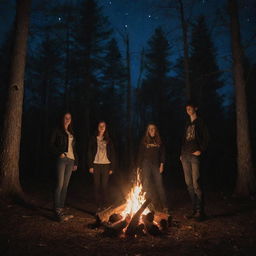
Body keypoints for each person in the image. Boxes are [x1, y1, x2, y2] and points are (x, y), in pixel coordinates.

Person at [180, 102, 209, 221]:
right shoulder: (187, 123)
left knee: (196, 183)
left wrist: (201, 150)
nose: (188, 109)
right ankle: (194, 209)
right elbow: (184, 139)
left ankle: (200, 211)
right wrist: (181, 153)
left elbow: (207, 137)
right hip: (185, 156)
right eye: (186, 108)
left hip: (194, 156)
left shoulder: (200, 122)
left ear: (195, 108)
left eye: (190, 107)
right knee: (189, 184)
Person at [50, 112, 78, 222]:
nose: (67, 119)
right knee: (59, 184)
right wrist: (59, 153)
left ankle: (61, 210)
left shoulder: (71, 132)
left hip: (71, 160)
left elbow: (74, 149)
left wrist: (76, 162)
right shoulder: (57, 130)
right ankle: (56, 211)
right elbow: (50, 144)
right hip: (62, 159)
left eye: (69, 118)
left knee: (65, 186)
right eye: (65, 118)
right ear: (62, 119)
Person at [137, 124, 168, 213]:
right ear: (148, 130)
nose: (151, 130)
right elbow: (140, 154)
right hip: (145, 164)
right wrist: (139, 166)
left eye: (153, 128)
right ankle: (146, 206)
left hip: (156, 164)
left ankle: (165, 206)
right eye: (150, 129)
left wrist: (162, 164)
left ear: (155, 130)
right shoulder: (144, 141)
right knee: (145, 185)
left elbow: (162, 153)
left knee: (159, 184)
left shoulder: (159, 141)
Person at [88, 121, 115, 211]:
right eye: (100, 126)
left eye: (103, 126)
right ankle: (98, 205)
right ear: (98, 127)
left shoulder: (109, 140)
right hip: (96, 164)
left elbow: (113, 154)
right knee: (96, 185)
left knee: (104, 186)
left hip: (106, 165)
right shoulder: (93, 138)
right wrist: (90, 166)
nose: (102, 127)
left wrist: (112, 167)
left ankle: (104, 204)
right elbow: (89, 152)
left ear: (105, 127)